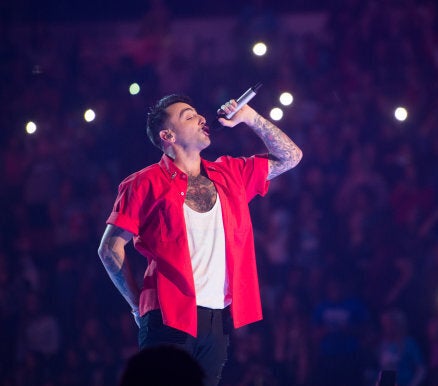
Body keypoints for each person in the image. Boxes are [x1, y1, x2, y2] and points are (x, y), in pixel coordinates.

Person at [97, 93, 302, 386]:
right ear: (167, 135)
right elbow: (109, 248)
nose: (202, 118)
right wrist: (136, 306)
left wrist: (251, 118)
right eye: (189, 116)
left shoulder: (230, 172)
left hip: (216, 319)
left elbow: (291, 157)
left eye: (197, 113)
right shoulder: (144, 183)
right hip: (167, 316)